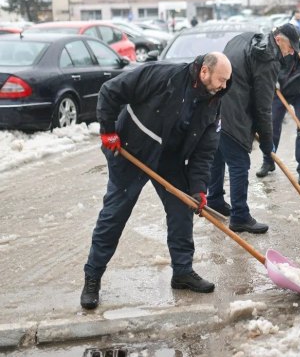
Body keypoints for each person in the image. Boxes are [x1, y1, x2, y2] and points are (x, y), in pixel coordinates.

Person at [80, 52, 233, 310]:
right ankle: (92, 277)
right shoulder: (162, 75)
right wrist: (107, 130)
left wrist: (198, 189)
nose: (224, 86)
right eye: (221, 79)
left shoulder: (213, 102)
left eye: (227, 81)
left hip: (169, 157)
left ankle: (182, 271)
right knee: (115, 214)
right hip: (132, 149)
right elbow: (110, 90)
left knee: (181, 208)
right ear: (204, 72)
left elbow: (204, 152)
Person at [206, 24, 300, 234]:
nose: (291, 52)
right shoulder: (269, 59)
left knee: (219, 154)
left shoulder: (246, 38)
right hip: (235, 112)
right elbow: (263, 108)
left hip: (216, 106)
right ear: (279, 39)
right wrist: (267, 142)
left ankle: (214, 199)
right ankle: (240, 217)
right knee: (239, 163)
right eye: (290, 47)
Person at [255, 30, 300, 186]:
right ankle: (269, 161)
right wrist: (273, 81)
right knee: (272, 124)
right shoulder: (288, 53)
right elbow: (272, 66)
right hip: (280, 92)